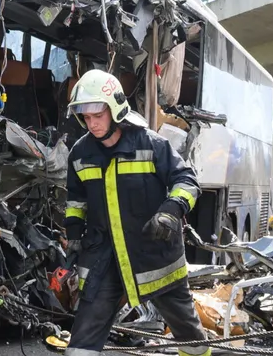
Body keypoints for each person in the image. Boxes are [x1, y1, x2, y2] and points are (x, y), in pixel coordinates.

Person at [63, 70, 209, 356]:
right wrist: (73, 244)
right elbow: (75, 203)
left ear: (115, 109)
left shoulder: (151, 144)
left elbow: (187, 181)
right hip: (104, 260)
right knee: (81, 342)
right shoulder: (80, 154)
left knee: (191, 338)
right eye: (86, 117)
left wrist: (170, 211)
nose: (92, 124)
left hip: (155, 258)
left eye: (98, 115)